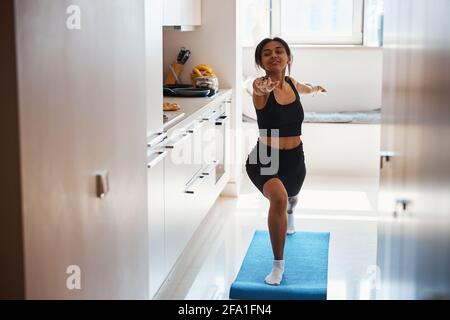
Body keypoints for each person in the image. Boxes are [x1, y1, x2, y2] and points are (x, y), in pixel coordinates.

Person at [245, 37, 327, 285]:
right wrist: (261, 89)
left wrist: (315, 89)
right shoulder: (260, 86)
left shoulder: (292, 82)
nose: (274, 55)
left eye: (279, 51)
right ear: (261, 61)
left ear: (288, 58)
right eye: (267, 53)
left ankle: (291, 210)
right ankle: (278, 265)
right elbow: (257, 90)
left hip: (294, 157)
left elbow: (305, 88)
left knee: (290, 196)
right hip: (265, 157)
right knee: (278, 199)